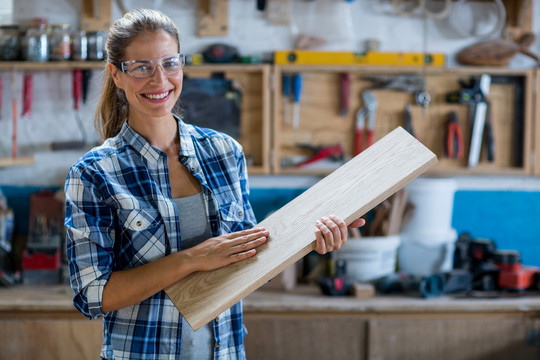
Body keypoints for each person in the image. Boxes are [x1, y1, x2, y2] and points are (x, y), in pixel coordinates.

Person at [64, 8, 365, 360]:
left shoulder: (224, 151)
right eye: (142, 67)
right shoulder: (94, 173)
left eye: (170, 63)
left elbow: (249, 258)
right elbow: (92, 295)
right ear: (117, 74)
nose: (160, 80)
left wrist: (309, 240)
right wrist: (192, 260)